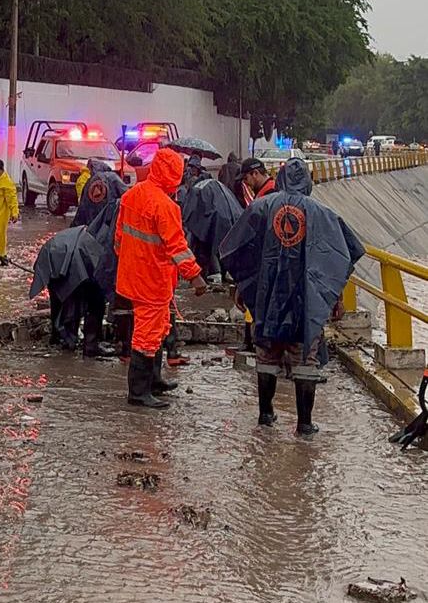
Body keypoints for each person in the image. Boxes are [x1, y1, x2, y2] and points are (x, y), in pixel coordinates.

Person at [220, 158, 364, 435]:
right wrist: (335, 298)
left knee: (267, 354)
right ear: (308, 182)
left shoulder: (261, 208)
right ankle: (304, 423)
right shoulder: (322, 214)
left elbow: (238, 249)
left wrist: (242, 286)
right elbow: (337, 258)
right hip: (306, 300)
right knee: (305, 359)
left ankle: (265, 415)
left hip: (267, 296)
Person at [115, 147, 207, 408]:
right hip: (152, 280)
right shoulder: (166, 206)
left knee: (157, 329)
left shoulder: (132, 195)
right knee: (147, 334)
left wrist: (130, 261)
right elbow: (177, 246)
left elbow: (119, 238)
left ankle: (154, 381)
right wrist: (195, 276)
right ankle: (139, 392)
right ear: (175, 173)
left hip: (133, 276)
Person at [30, 226, 107, 357]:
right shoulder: (101, 245)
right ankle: (88, 345)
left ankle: (58, 338)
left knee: (61, 300)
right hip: (69, 258)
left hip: (55, 255)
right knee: (95, 302)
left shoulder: (91, 235)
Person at [182, 179, 244, 280]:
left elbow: (188, 213)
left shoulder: (197, 189)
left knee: (211, 244)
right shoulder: (217, 185)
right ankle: (227, 271)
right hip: (232, 217)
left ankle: (216, 272)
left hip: (214, 219)